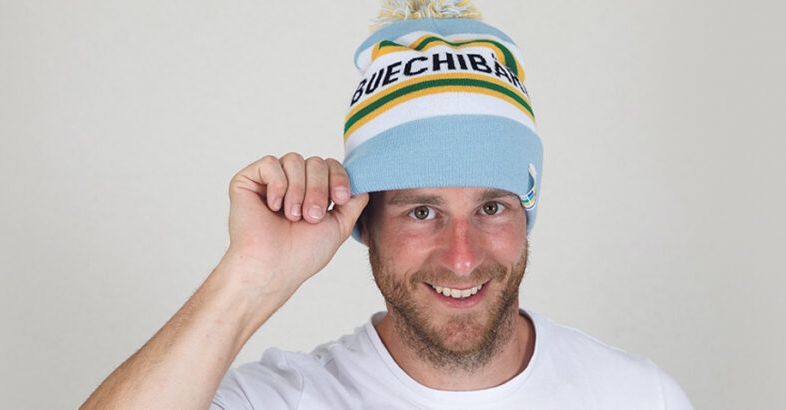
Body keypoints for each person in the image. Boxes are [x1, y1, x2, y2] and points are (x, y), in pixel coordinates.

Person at [82, 2, 693, 409]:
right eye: (421, 211)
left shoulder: (638, 398)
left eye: (491, 207)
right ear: (364, 221)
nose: (462, 258)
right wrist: (249, 280)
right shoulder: (290, 400)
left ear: (528, 209)